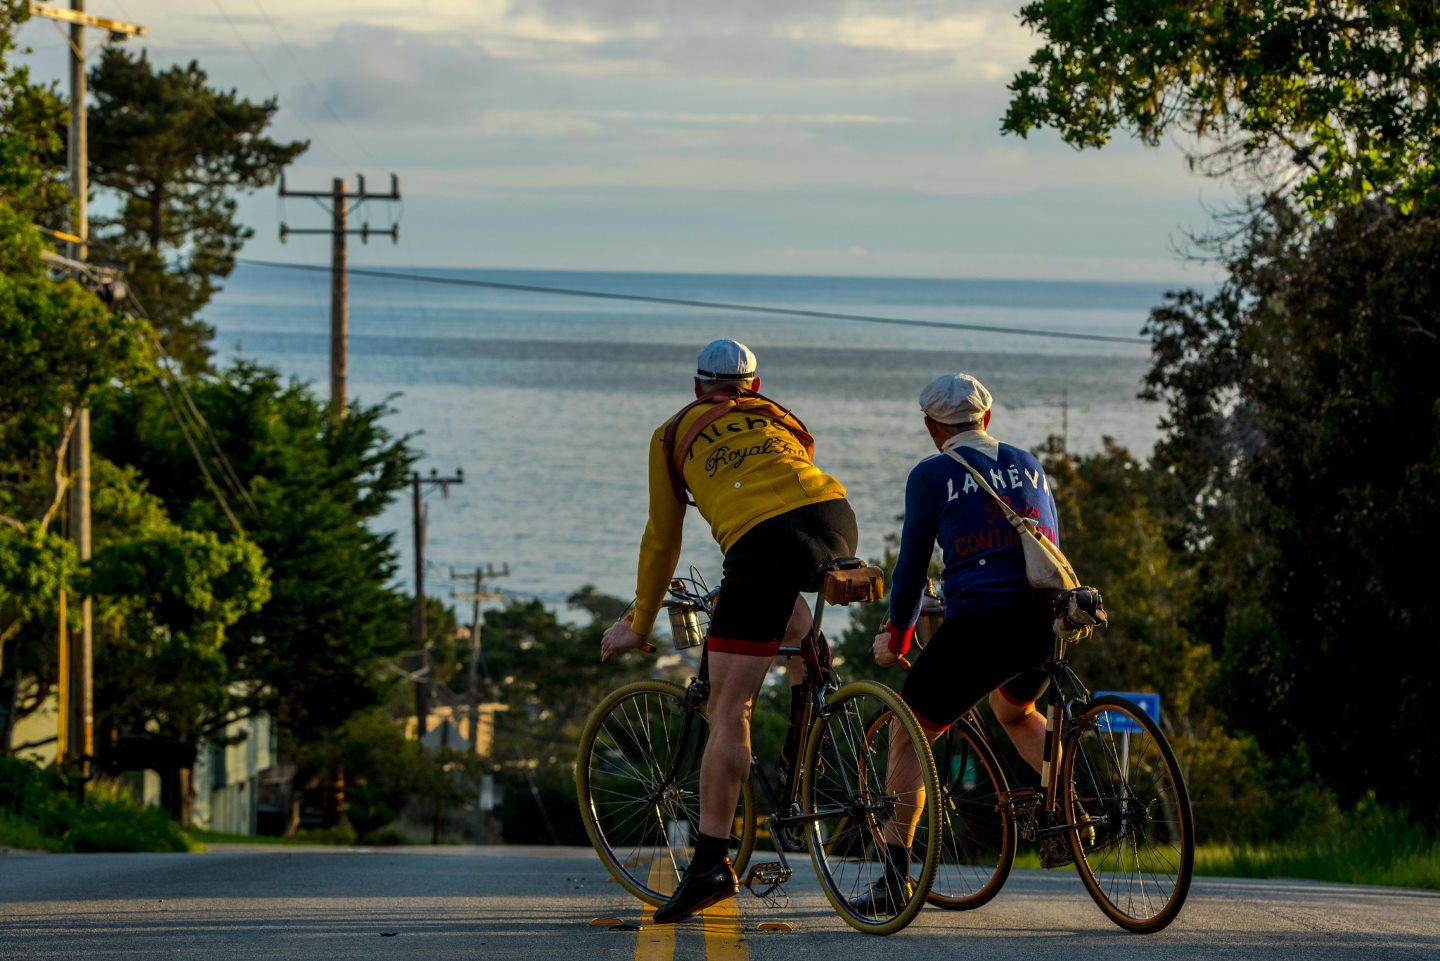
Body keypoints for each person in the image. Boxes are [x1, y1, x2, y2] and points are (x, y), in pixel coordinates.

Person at [600, 338, 857, 923]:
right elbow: (798, 465)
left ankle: (712, 863)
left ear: (697, 388)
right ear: (755, 387)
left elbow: (662, 539)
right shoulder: (779, 416)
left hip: (761, 541)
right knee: (785, 610)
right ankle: (805, 723)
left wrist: (639, 625)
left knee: (729, 708)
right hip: (836, 517)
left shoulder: (671, 434)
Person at [858, 371, 1062, 914]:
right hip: (1046, 619)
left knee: (908, 734)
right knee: (1015, 711)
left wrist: (897, 637)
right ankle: (1071, 811)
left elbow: (910, 569)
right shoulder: (1029, 463)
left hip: (980, 626)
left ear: (931, 427)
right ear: (987, 419)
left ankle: (894, 876)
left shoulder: (931, 475)